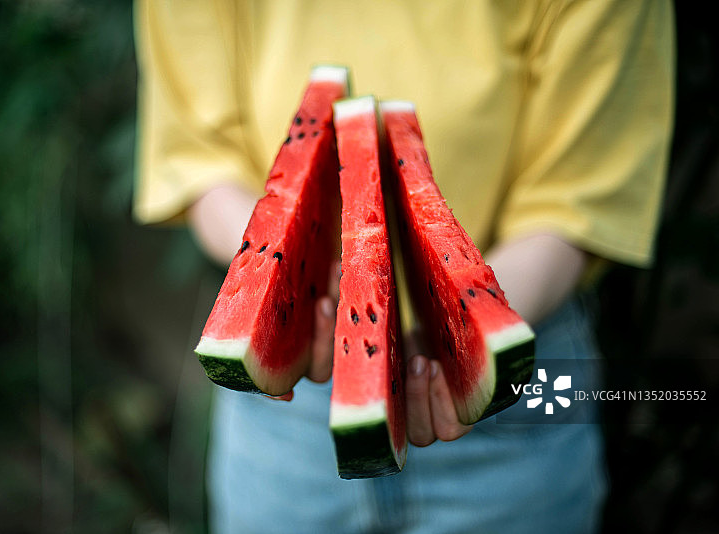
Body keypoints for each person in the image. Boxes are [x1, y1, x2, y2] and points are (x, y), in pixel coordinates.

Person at [133, 1, 674, 532]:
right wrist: (289, 291)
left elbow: (576, 200)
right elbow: (201, 159)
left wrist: (466, 344)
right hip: (290, 408)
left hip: (524, 377)